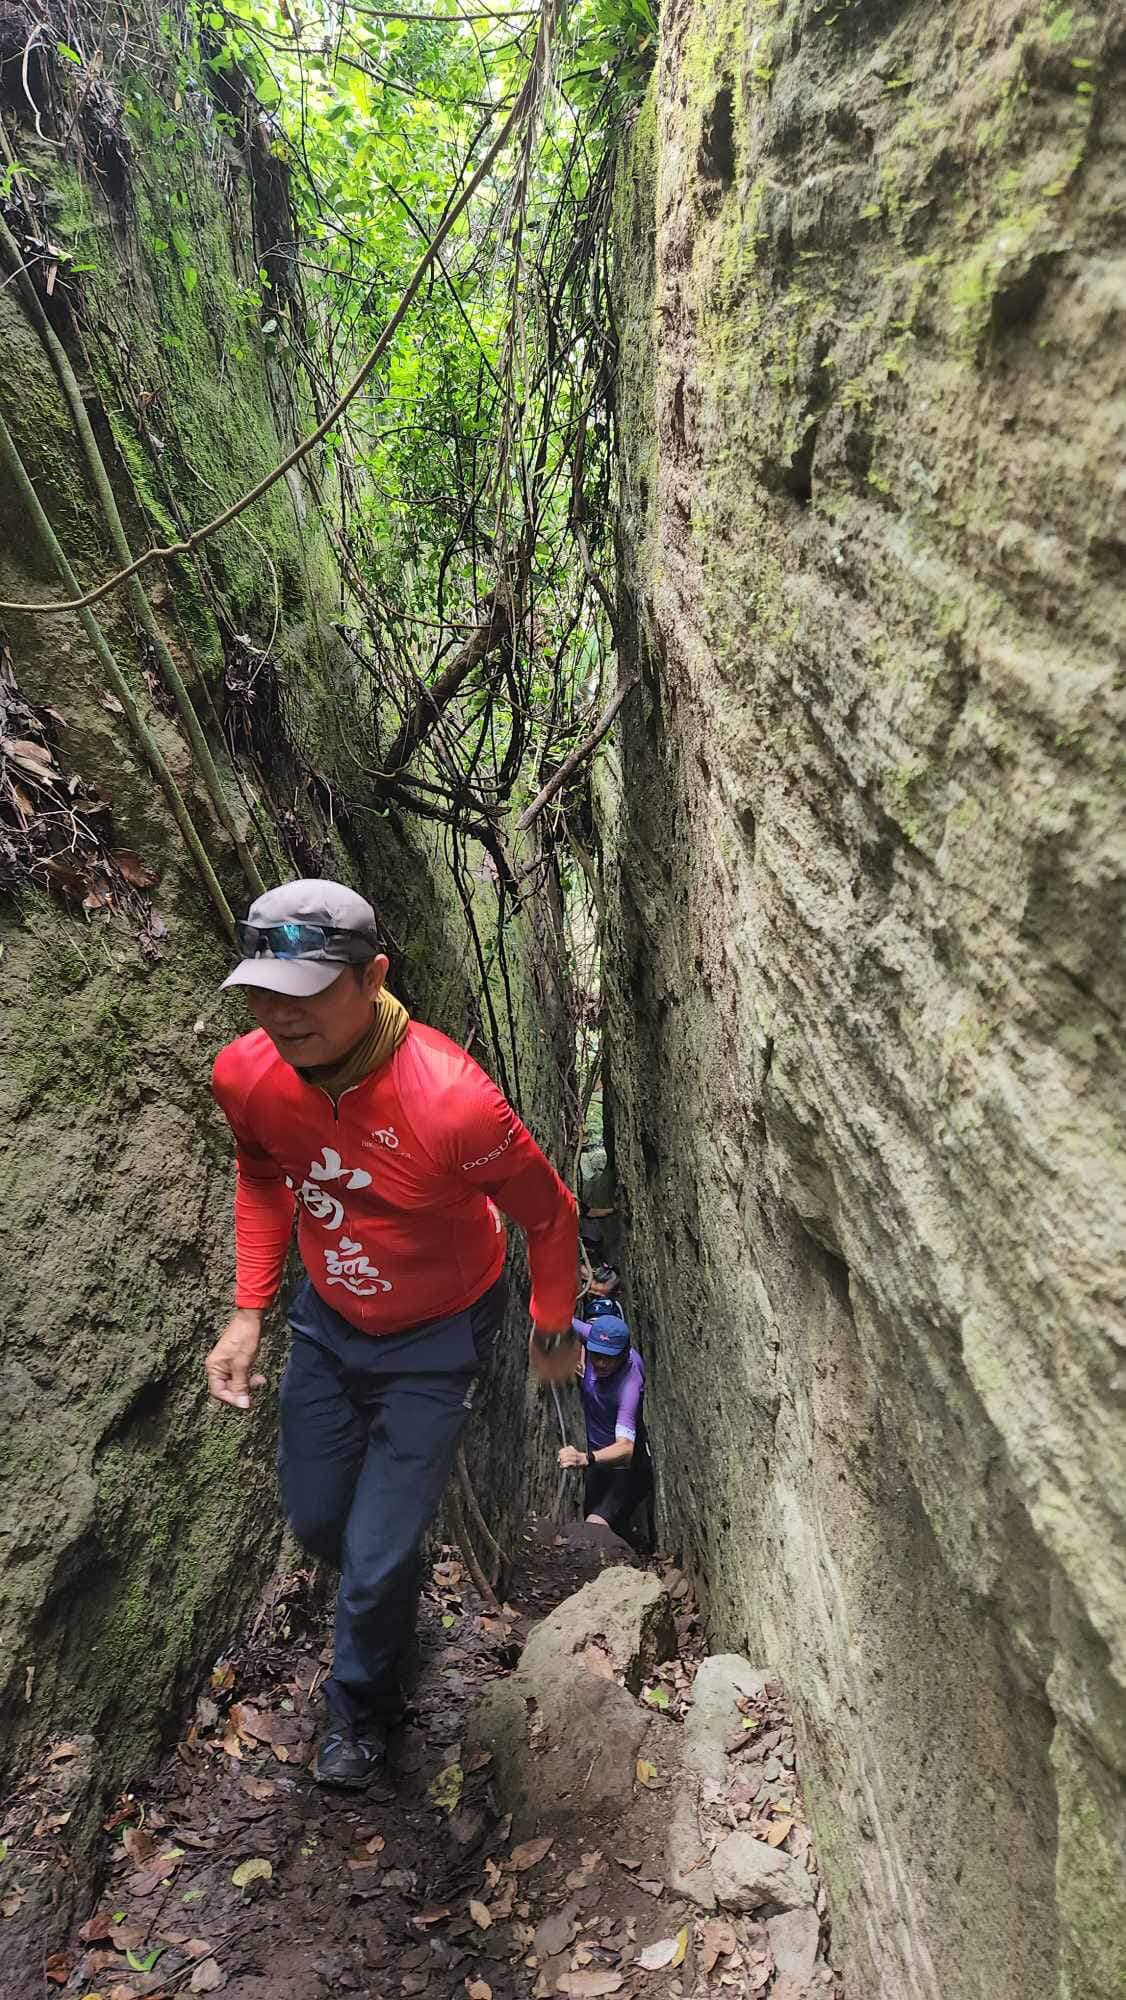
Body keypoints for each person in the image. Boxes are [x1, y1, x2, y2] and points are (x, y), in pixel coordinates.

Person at [206, 879, 580, 1788]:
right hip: (330, 1322)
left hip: (437, 1336)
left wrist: (551, 1325)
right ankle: (384, 1595)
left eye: (304, 992)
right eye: (261, 992)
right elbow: (261, 1176)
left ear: (373, 977)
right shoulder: (246, 1075)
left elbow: (551, 1214)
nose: (278, 1017)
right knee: (316, 1519)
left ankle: (362, 1711)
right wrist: (250, 1308)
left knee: (375, 1560)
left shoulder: (453, 1103)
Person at [558, 1309, 652, 1541]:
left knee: (593, 1528)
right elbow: (558, 1319)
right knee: (596, 1518)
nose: (601, 1362)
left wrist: (584, 1458)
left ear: (624, 1354)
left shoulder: (629, 1384)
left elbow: (625, 1448)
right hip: (597, 1465)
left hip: (625, 1471)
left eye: (609, 1357)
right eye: (596, 1354)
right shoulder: (595, 1337)